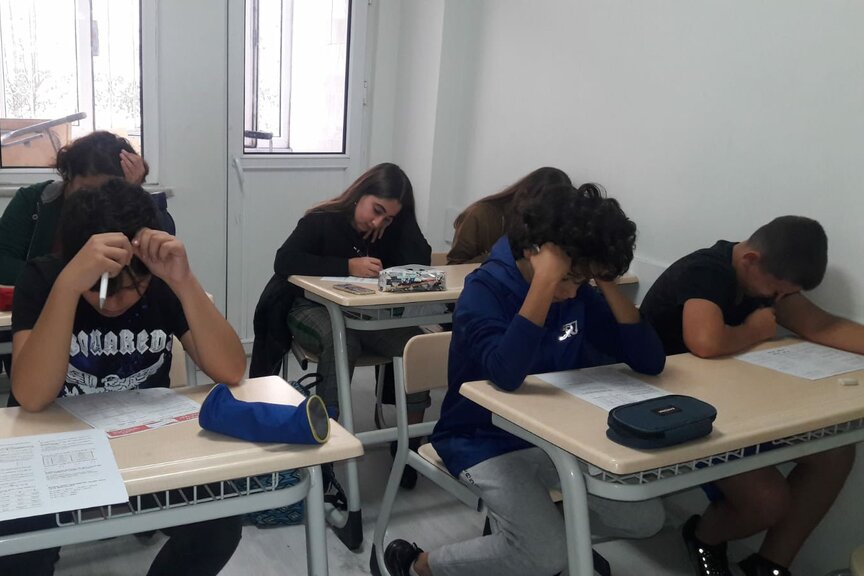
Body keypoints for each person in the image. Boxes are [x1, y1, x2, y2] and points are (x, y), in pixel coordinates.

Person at [385, 183, 666, 576]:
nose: (572, 293)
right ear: (536, 253)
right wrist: (545, 285)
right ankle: (419, 565)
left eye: (580, 281)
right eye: (567, 279)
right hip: (481, 439)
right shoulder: (485, 289)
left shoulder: (576, 292)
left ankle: (551, 542)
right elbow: (506, 374)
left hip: (556, 437)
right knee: (546, 557)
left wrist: (604, 280)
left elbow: (649, 360)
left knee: (645, 518)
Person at [0, 179, 245, 576]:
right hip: (50, 451)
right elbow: (32, 396)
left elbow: (231, 369)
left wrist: (184, 281)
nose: (112, 302)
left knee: (218, 523)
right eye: (97, 288)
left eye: (132, 288)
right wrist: (68, 286)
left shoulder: (162, 282)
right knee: (12, 550)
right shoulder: (45, 278)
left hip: (142, 448)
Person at [639, 215, 863, 576]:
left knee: (835, 454)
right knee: (768, 501)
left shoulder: (766, 279)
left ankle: (769, 565)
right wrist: (754, 330)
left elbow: (821, 326)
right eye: (776, 292)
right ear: (750, 260)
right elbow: (706, 342)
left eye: (786, 295)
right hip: (676, 408)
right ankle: (704, 537)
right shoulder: (705, 271)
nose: (779, 300)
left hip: (736, 401)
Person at [249, 163, 431, 487]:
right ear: (360, 194)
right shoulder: (321, 220)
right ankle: (326, 449)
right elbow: (285, 260)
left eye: (389, 217)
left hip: (364, 316)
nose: (377, 222)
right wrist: (347, 266)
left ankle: (410, 443)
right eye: (376, 210)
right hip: (309, 307)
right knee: (343, 340)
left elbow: (422, 261)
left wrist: (402, 225)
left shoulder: (387, 231)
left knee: (415, 346)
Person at [0, 130, 170, 287]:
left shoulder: (120, 203)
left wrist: (131, 194)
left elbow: (161, 250)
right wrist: (71, 276)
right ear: (68, 176)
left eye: (108, 190)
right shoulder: (34, 201)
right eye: (87, 190)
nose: (96, 200)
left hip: (108, 311)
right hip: (43, 307)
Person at [446, 167, 571, 265]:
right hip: (472, 283)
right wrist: (499, 255)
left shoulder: (547, 226)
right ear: (525, 194)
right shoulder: (481, 214)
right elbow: (453, 267)